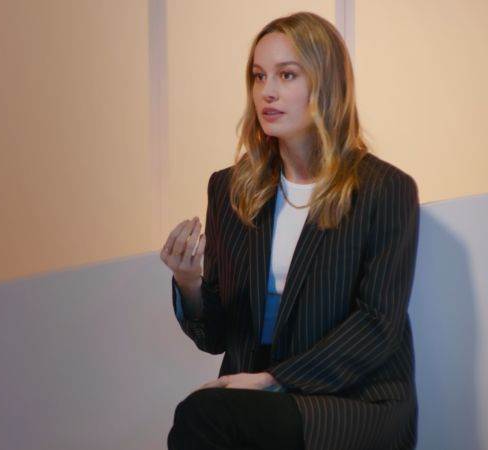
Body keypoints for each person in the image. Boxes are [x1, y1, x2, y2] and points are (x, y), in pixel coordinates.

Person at [161, 11, 420, 450]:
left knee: (201, 415)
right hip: (258, 390)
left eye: (286, 75)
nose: (268, 91)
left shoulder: (385, 188)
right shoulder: (230, 188)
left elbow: (378, 324)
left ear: (326, 83)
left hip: (352, 397)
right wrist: (188, 282)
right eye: (259, 76)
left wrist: (274, 379)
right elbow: (217, 336)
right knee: (202, 414)